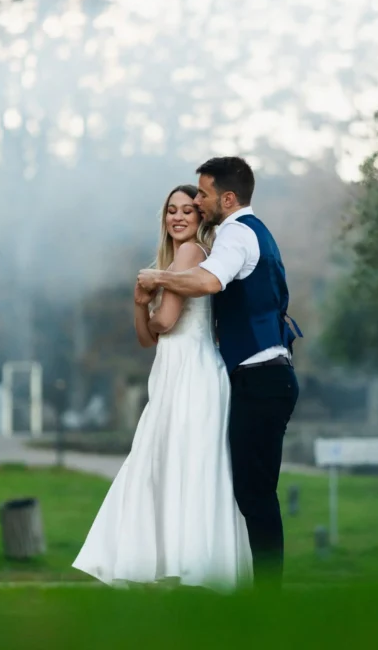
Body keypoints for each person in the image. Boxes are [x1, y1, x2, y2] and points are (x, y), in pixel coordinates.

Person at [72, 184, 253, 590]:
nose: (178, 217)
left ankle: (180, 569)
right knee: (176, 466)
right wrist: (141, 304)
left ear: (201, 217)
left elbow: (165, 322)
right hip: (174, 374)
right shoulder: (167, 263)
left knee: (173, 465)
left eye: (188, 211)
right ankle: (182, 568)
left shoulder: (190, 255)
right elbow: (147, 338)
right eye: (171, 210)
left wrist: (148, 301)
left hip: (192, 374)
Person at [137, 157, 301, 586]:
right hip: (260, 377)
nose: (198, 203)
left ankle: (267, 596)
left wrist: (155, 279)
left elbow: (208, 282)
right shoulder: (248, 233)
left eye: (203, 195)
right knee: (250, 490)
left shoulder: (237, 235)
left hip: (262, 378)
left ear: (227, 198)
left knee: (255, 493)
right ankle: (256, 589)